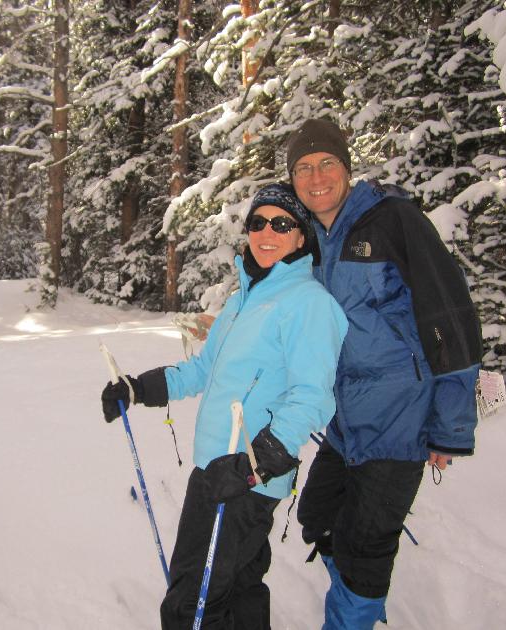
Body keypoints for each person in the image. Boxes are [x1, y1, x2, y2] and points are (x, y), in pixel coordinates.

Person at [101, 183, 348, 630]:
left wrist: (254, 465)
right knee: (238, 590)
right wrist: (138, 389)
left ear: (301, 236)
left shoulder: (309, 303)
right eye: (258, 222)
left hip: (244, 479)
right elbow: (204, 370)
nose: (267, 232)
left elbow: (313, 397)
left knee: (192, 605)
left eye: (281, 223)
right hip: (216, 468)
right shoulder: (243, 300)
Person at [287, 119, 483, 629]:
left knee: (365, 544)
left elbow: (451, 318)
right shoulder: (311, 238)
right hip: (347, 421)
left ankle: (353, 610)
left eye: (326, 163)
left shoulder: (392, 219)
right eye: (303, 168)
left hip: (401, 418)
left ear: (347, 168)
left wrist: (450, 427)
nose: (316, 177)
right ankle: (360, 599)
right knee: (317, 516)